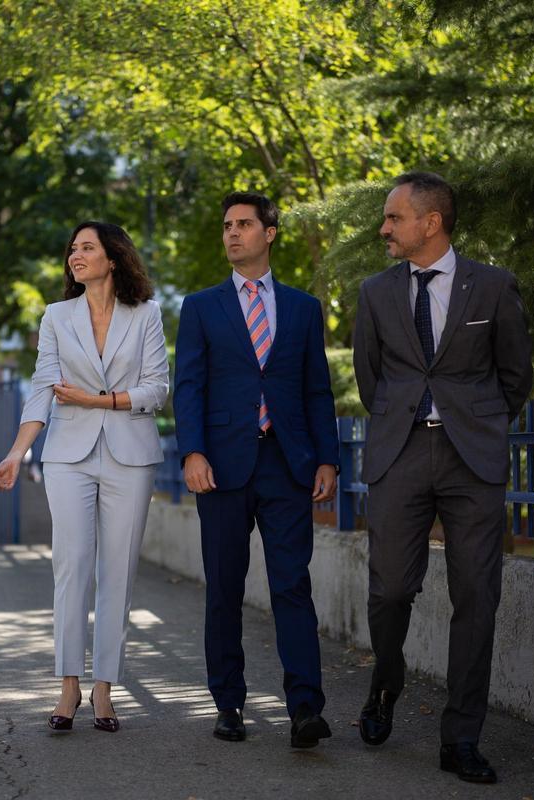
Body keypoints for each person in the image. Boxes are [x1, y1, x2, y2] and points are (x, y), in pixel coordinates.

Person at [352, 171, 533, 783]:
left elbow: (515, 376)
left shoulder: (493, 286)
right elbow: (371, 379)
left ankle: (461, 738)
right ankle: (386, 683)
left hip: (472, 458)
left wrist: (477, 423)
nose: (384, 228)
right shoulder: (375, 293)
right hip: (399, 454)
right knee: (390, 590)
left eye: (394, 218)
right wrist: (405, 424)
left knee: (477, 597)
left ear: (431, 222)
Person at [174, 192, 340, 748]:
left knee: (292, 585)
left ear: (270, 233)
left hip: (287, 464)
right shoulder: (200, 307)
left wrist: (327, 457)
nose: (232, 234)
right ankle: (228, 705)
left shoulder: (302, 308)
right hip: (220, 467)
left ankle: (305, 711)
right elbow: (189, 386)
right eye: (227, 225)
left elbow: (317, 388)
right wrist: (192, 452)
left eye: (244, 224)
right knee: (223, 586)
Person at [0, 221, 168, 734]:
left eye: (86, 248)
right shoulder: (56, 316)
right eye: (72, 249)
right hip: (67, 454)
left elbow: (158, 388)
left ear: (113, 258)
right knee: (71, 567)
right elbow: (43, 386)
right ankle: (69, 683)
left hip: (131, 455)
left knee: (119, 572)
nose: (75, 256)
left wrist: (99, 400)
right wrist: (18, 452)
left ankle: (105, 688)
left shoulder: (147, 315)